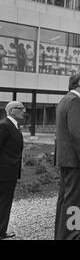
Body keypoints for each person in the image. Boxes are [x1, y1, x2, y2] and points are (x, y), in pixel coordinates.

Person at [54, 74, 80, 240]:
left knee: (64, 199)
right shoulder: (75, 101)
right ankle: (72, 235)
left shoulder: (65, 100)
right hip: (75, 160)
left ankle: (61, 235)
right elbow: (77, 133)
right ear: (79, 84)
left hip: (66, 159)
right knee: (74, 201)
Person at [0, 101, 26, 240]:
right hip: (4, 173)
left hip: (9, 172)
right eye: (20, 108)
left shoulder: (14, 126)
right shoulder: (4, 125)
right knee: (4, 202)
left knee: (4, 202)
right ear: (11, 111)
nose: (24, 111)